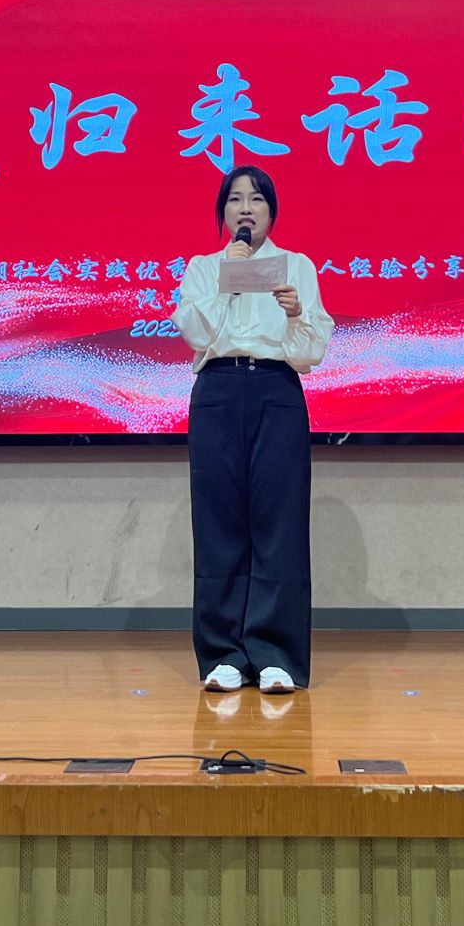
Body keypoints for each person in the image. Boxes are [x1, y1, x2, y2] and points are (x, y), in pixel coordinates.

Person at [170, 165, 334, 694]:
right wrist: (228, 277)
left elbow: (311, 352)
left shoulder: (298, 266)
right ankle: (224, 654)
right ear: (223, 213)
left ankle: (274, 655)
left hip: (276, 391)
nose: (246, 208)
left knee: (278, 521)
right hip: (218, 391)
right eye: (236, 200)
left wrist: (296, 314)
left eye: (257, 199)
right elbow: (195, 332)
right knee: (219, 523)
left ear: (272, 212)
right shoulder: (203, 268)